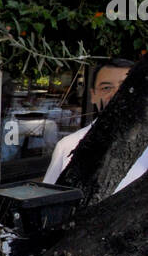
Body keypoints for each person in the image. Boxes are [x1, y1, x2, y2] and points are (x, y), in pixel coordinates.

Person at [43, 58, 148, 190]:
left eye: (125, 86)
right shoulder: (68, 145)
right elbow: (48, 200)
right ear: (93, 95)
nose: (116, 95)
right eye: (106, 88)